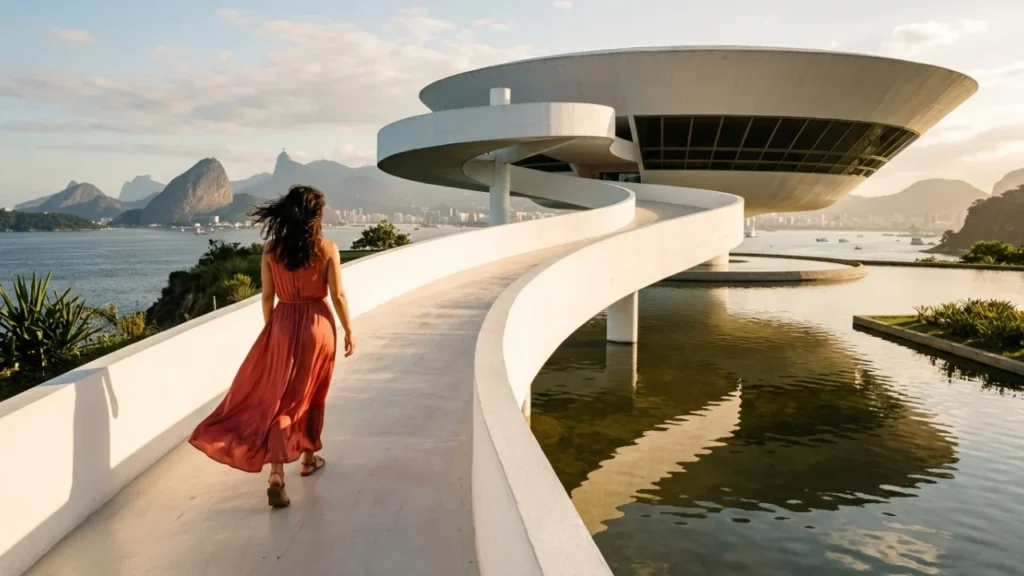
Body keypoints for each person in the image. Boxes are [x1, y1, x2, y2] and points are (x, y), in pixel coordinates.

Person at [189, 185, 355, 508]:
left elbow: (267, 297)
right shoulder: (327, 249)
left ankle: (277, 473)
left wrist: (273, 330)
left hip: (282, 323)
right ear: (314, 218)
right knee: (310, 394)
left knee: (280, 396)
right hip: (318, 328)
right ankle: (308, 458)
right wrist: (348, 329)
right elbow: (338, 296)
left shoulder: (270, 250)